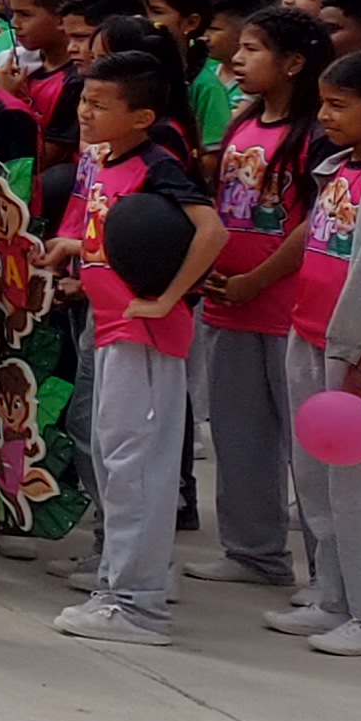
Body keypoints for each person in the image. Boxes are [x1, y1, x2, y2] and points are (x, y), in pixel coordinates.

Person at [50, 51, 224, 645]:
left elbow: (211, 231)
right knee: (113, 461)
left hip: (143, 335)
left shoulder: (158, 165)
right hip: (111, 326)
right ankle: (115, 588)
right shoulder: (107, 160)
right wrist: (78, 254)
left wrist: (168, 297)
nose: (86, 112)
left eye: (100, 105)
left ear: (143, 116)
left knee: (137, 469)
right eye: (84, 100)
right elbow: (119, 239)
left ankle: (140, 606)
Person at [190, 7, 336, 603]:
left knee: (311, 451)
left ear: (294, 63)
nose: (237, 58)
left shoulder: (316, 134)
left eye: (253, 49)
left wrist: (258, 278)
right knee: (238, 435)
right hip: (230, 304)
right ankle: (254, 552)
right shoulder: (245, 121)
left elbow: (316, 221)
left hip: (288, 310)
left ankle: (332, 578)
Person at [287, 49, 361, 655]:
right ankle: (334, 595)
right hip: (308, 333)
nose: (324, 116)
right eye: (323, 103)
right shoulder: (338, 168)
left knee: (356, 488)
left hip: (354, 351)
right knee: (316, 479)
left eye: (339, 105)